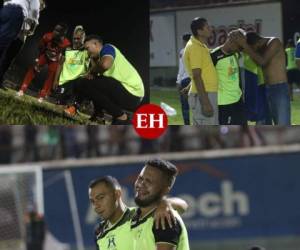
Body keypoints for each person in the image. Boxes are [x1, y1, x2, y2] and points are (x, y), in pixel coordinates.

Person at [89, 175, 188, 250]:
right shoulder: (99, 232)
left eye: (101, 198)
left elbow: (183, 205)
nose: (96, 206)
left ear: (117, 194)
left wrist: (166, 203)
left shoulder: (141, 216)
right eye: (93, 201)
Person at [70, 35, 145, 124]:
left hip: (131, 92)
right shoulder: (99, 59)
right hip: (132, 94)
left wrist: (91, 72)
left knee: (83, 83)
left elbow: (106, 64)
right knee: (93, 83)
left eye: (87, 48)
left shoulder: (107, 48)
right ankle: (99, 115)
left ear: (95, 44)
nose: (87, 52)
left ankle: (122, 117)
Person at [231, 31, 291, 125]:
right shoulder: (259, 49)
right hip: (267, 88)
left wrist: (246, 47)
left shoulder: (274, 42)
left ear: (257, 43)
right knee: (267, 122)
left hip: (279, 88)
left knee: (282, 123)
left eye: (253, 48)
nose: (253, 51)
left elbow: (262, 62)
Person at [132, 159, 190, 250]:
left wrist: (166, 203)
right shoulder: (134, 217)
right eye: (140, 178)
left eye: (149, 181)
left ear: (165, 190)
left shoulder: (165, 219)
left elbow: (184, 205)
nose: (141, 184)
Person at [17, 23, 71, 102]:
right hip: (45, 55)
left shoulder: (66, 44)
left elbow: (64, 58)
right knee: (34, 68)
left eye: (58, 31)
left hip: (56, 60)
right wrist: (38, 58)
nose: (54, 32)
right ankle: (22, 88)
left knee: (51, 75)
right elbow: (41, 47)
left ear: (63, 33)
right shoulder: (47, 36)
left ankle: (42, 95)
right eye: (54, 30)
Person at [183, 17, 218, 125]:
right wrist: (205, 102)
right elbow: (197, 75)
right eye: (207, 27)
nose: (210, 29)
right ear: (199, 31)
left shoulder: (200, 46)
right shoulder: (195, 48)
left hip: (205, 93)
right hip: (204, 95)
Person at [0, 0, 43, 88]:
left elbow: (30, 31)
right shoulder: (25, 9)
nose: (40, 8)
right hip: (13, 33)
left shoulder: (32, 15)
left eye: (41, 7)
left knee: (9, 59)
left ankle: (0, 78)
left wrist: (28, 31)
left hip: (21, 38)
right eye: (40, 5)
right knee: (3, 55)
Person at [210, 30, 246, 125]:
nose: (239, 50)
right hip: (223, 104)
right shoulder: (214, 56)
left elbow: (236, 76)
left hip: (238, 100)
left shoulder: (234, 54)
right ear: (231, 41)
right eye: (239, 46)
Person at [53, 25, 89, 110]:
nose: (76, 41)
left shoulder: (87, 51)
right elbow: (60, 64)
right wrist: (55, 80)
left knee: (69, 107)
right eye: (74, 38)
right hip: (65, 81)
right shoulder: (66, 49)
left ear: (84, 39)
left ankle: (75, 105)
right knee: (58, 107)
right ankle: (68, 104)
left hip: (78, 82)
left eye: (78, 39)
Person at [177, 33, 191, 125]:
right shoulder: (197, 50)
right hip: (196, 80)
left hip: (185, 80)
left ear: (185, 41)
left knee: (185, 105)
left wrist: (178, 81)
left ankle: (187, 123)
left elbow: (181, 68)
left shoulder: (183, 51)